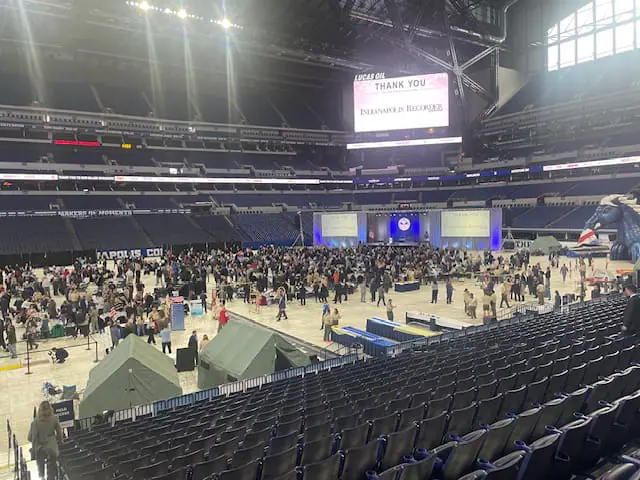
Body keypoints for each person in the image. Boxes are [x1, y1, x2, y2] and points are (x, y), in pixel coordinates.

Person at [28, 401, 62, 480]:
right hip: (52, 447)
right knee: (52, 465)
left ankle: (42, 476)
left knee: (40, 464)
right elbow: (59, 433)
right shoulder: (55, 418)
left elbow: (33, 438)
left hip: (40, 447)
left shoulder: (35, 422)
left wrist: (34, 449)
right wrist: (60, 441)